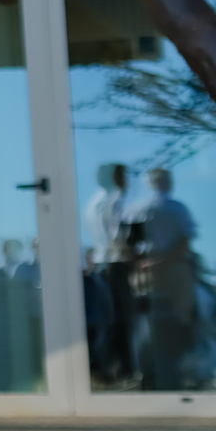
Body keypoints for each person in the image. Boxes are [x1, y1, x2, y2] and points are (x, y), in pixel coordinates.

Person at [132, 168, 200, 389]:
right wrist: (163, 262)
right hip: (174, 272)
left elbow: (127, 244)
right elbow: (184, 242)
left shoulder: (137, 209)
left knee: (146, 324)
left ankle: (147, 375)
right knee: (179, 321)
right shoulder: (176, 208)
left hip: (145, 272)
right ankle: (175, 374)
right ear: (167, 182)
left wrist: (143, 263)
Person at [83, 162, 136, 385]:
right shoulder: (115, 201)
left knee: (109, 320)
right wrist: (136, 261)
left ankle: (104, 370)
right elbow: (117, 239)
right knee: (122, 321)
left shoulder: (93, 203)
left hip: (102, 266)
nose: (127, 181)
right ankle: (122, 372)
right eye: (122, 176)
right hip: (116, 265)